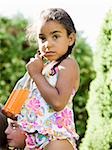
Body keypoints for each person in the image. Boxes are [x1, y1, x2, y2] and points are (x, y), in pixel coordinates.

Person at [17, 8, 80, 150]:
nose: (47, 44)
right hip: (34, 140)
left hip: (56, 139)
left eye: (55, 36)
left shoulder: (67, 64)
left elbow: (58, 102)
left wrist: (36, 75)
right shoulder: (43, 68)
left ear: (70, 39)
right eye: (42, 38)